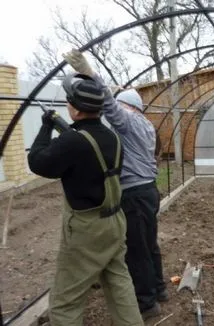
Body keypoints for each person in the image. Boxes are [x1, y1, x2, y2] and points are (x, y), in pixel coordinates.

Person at [27, 73, 144, 326]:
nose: (67, 105)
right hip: (115, 221)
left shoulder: (72, 141)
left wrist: (47, 125)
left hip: (87, 231)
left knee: (65, 301)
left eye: (70, 101)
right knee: (119, 285)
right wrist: (68, 132)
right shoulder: (113, 137)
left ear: (77, 111)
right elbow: (86, 147)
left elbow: (38, 162)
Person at [63, 49, 167, 320]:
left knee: (137, 250)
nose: (114, 112)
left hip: (133, 195)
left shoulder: (129, 121)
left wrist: (90, 73)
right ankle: (159, 288)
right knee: (149, 244)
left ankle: (146, 303)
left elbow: (109, 104)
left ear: (127, 107)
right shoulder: (145, 124)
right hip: (149, 191)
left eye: (120, 106)